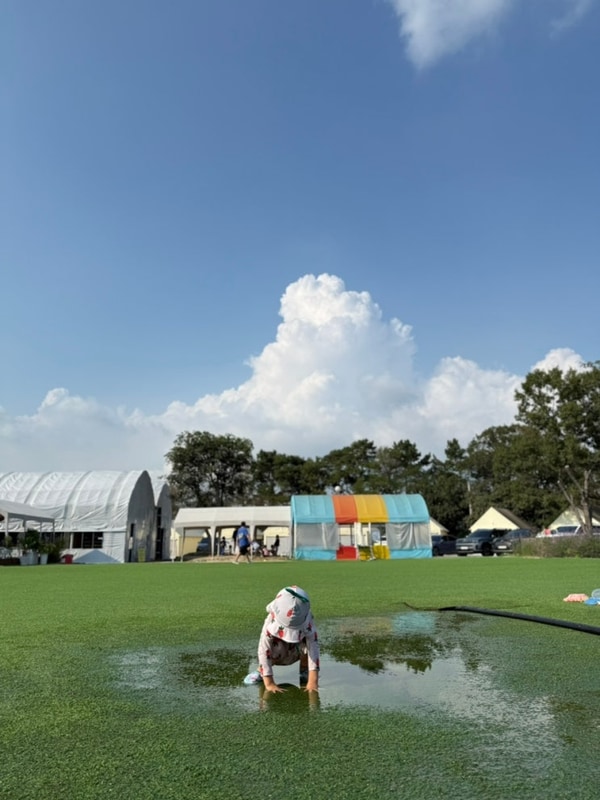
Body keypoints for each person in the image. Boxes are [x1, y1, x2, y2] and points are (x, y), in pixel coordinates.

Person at [246, 585, 320, 693]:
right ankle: (261, 671)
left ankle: (305, 671)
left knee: (307, 647)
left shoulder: (306, 618)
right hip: (278, 651)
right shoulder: (271, 621)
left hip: (296, 649)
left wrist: (313, 681)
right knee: (269, 654)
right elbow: (263, 650)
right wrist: (269, 683)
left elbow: (314, 646)